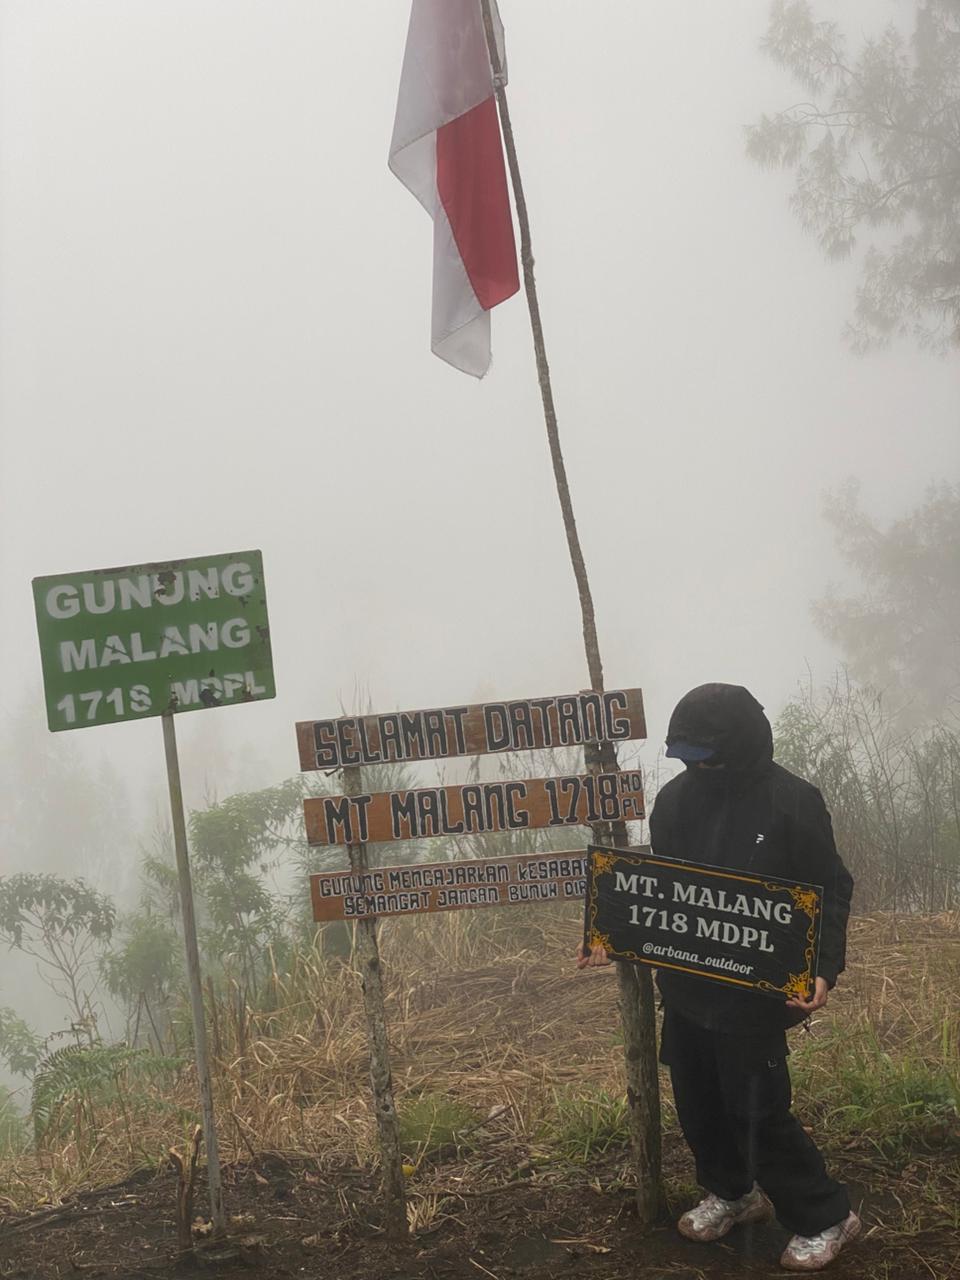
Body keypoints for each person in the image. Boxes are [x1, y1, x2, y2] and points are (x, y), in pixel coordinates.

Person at [577, 683, 858, 1272]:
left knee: (757, 1109)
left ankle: (825, 1215)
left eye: (708, 756)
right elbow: (660, 890)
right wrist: (611, 932)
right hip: (686, 988)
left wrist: (824, 968)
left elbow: (830, 889)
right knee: (697, 1098)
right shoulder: (676, 800)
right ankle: (733, 1193)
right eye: (688, 757)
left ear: (742, 743)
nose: (699, 769)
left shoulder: (793, 801)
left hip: (757, 991)